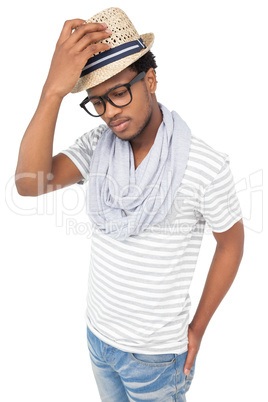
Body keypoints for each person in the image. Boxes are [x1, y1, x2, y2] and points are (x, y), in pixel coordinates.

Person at [15, 7, 244, 402]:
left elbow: (232, 244)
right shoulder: (97, 148)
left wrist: (198, 328)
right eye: (97, 102)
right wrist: (52, 91)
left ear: (150, 79)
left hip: (154, 356)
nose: (110, 114)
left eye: (119, 93)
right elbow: (28, 184)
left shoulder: (205, 164)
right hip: (98, 339)